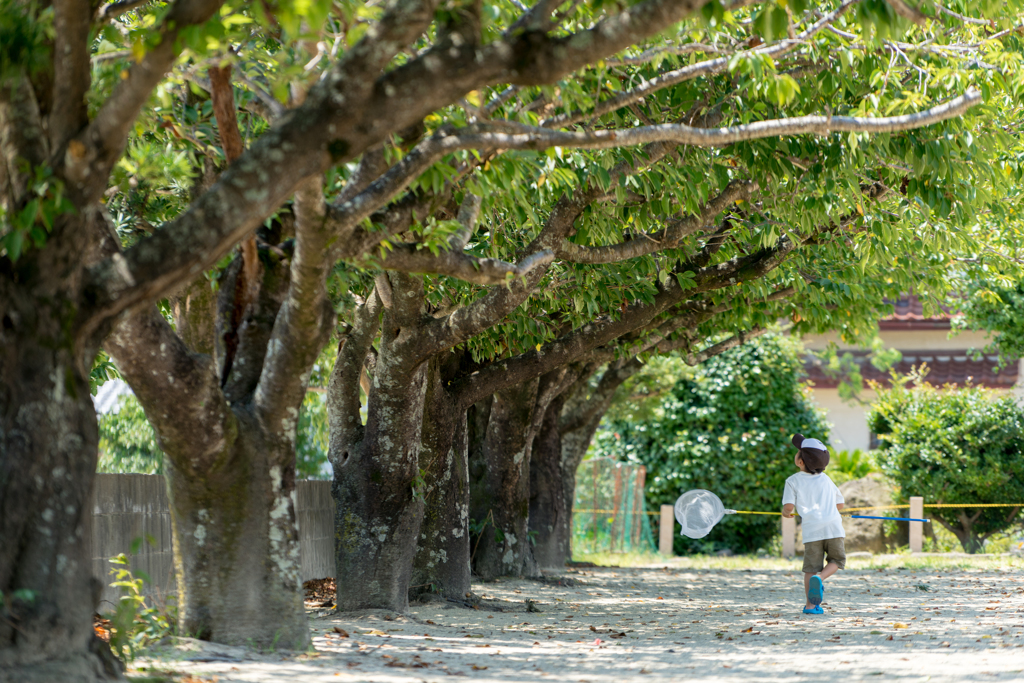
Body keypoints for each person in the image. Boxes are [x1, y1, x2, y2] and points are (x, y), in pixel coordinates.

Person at [782, 433, 845, 615]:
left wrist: (786, 513)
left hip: (812, 530)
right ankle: (822, 577)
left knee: (810, 568)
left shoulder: (792, 481)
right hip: (833, 527)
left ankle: (810, 606)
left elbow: (788, 507)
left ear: (801, 462)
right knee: (837, 560)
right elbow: (839, 504)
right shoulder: (826, 480)